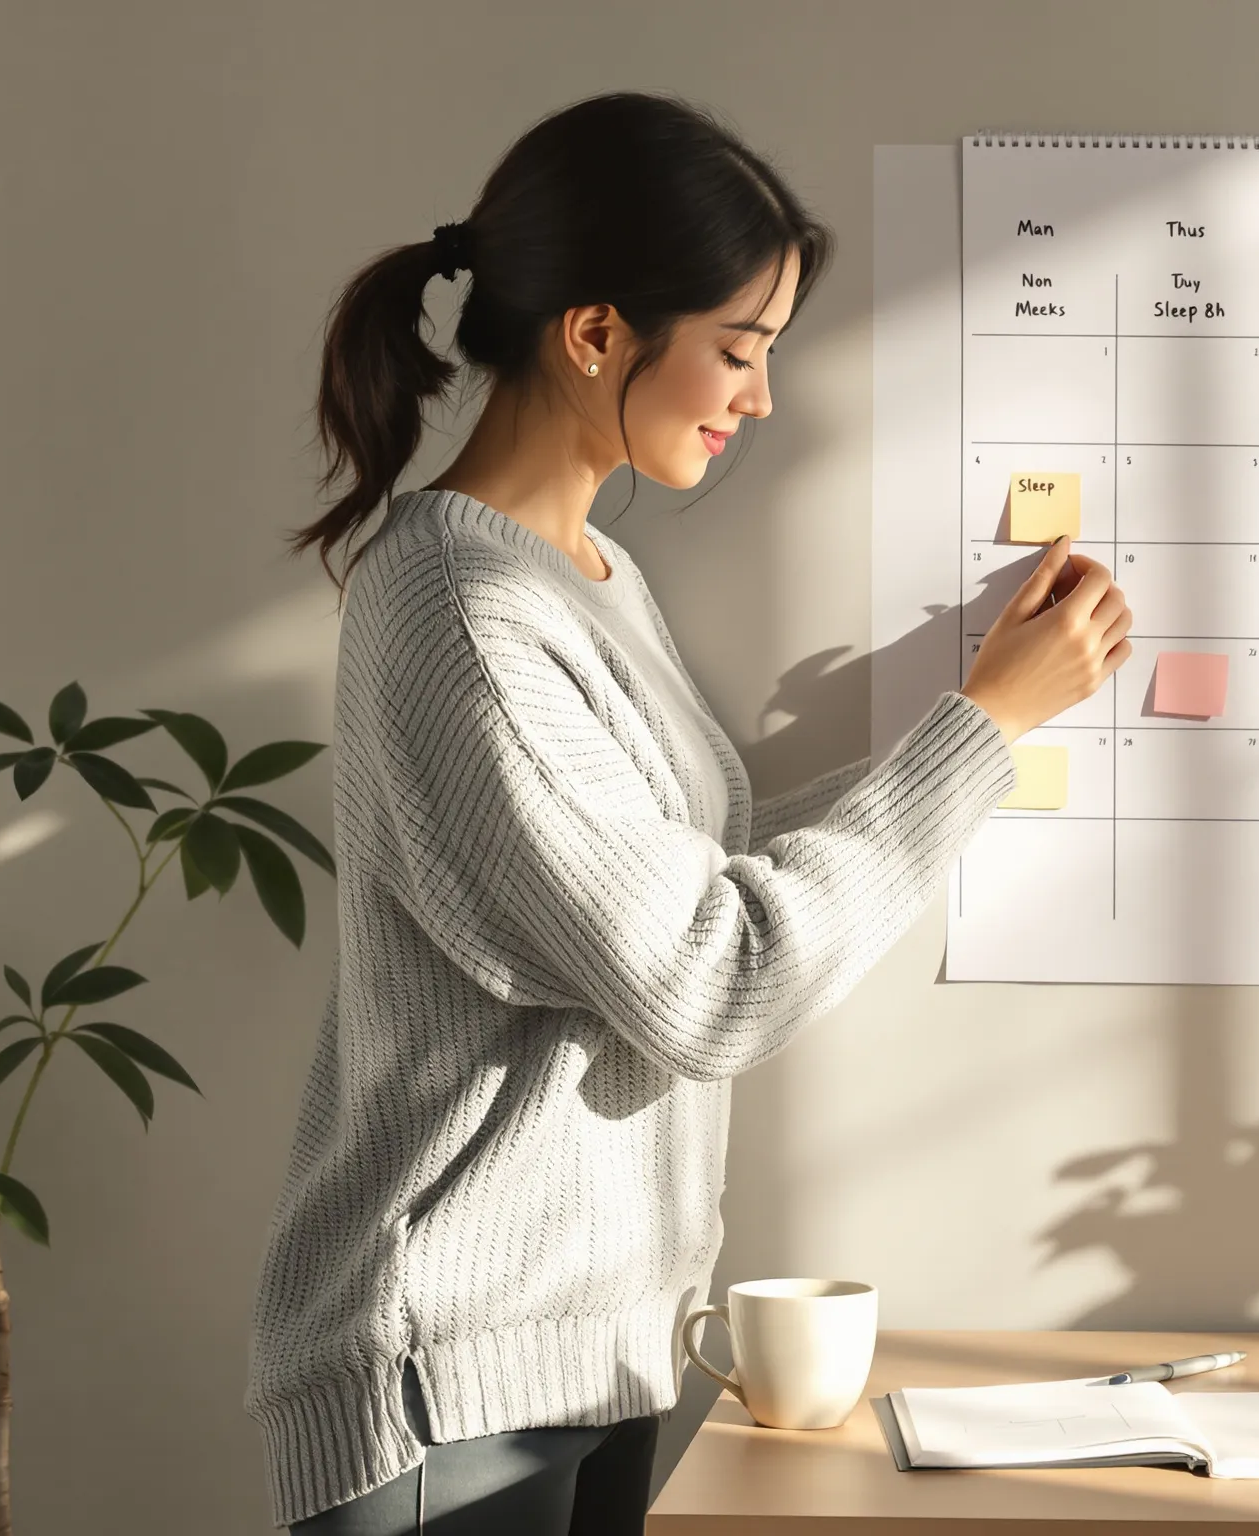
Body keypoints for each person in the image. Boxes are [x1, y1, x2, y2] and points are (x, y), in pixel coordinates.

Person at [245, 93, 1129, 1534]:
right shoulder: (464, 613)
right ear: (595, 333)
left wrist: (978, 722)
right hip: (452, 1380)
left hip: (583, 1351)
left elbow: (694, 881)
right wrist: (986, 731)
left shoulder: (580, 574)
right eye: (739, 346)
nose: (760, 397)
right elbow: (713, 982)